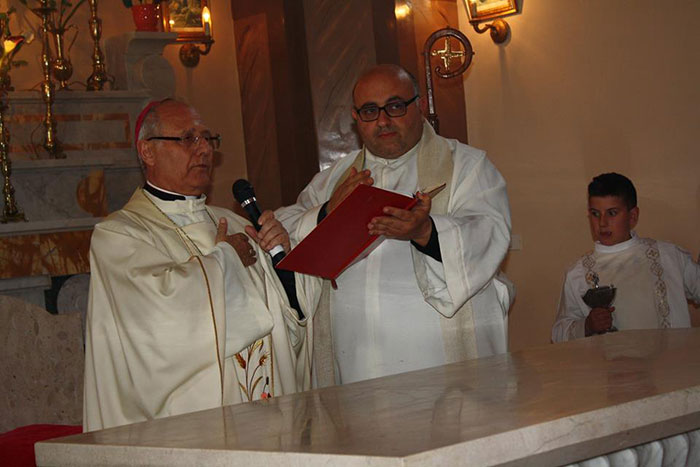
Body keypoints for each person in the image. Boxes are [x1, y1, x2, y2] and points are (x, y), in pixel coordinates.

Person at [83, 99, 318, 431]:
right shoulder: (120, 236)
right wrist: (225, 261)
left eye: (208, 139)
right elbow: (157, 326)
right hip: (189, 432)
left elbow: (287, 321)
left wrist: (284, 262)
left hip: (271, 424)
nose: (205, 149)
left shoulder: (236, 226)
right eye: (188, 138)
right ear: (147, 152)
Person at [276, 64, 513, 386]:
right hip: (353, 356)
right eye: (370, 111)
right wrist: (327, 211)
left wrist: (426, 232)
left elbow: (490, 231)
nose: (383, 121)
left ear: (421, 105)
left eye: (395, 106)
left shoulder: (467, 166)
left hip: (436, 359)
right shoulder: (333, 178)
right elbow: (284, 230)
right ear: (356, 117)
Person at [552, 172, 699, 342]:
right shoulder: (577, 273)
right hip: (610, 366)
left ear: (633, 216)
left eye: (612, 213)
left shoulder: (669, 256)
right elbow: (558, 334)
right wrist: (587, 325)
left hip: (670, 363)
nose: (602, 223)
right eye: (595, 213)